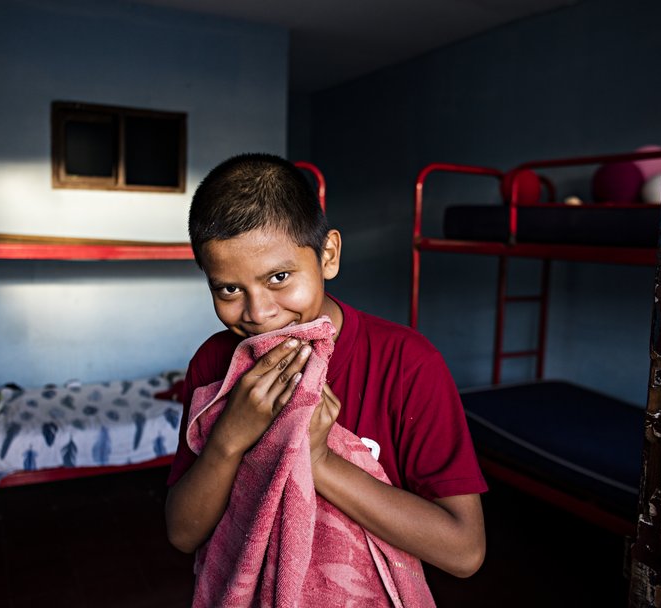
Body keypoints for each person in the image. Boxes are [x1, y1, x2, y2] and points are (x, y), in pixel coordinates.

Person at [165, 153, 488, 588]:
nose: (259, 313)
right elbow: (182, 534)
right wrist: (229, 438)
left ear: (328, 255)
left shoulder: (408, 364)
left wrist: (319, 460)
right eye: (228, 289)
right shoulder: (214, 363)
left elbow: (464, 551)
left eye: (279, 277)